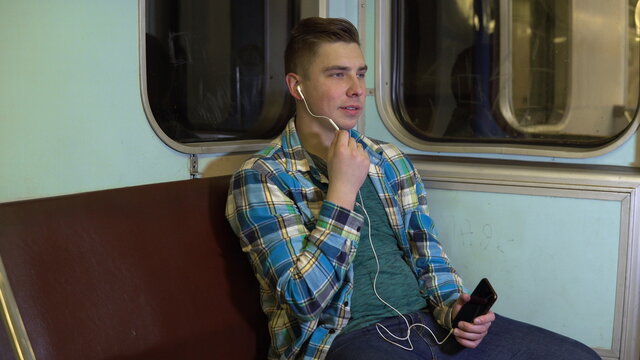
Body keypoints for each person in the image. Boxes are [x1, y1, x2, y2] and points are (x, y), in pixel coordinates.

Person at [225, 17, 600, 360]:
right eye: (338, 75)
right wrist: (341, 190)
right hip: (346, 338)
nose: (358, 89)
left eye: (361, 74)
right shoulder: (262, 177)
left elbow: (428, 255)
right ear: (297, 86)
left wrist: (454, 309)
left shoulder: (388, 159)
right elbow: (303, 301)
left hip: (431, 327)